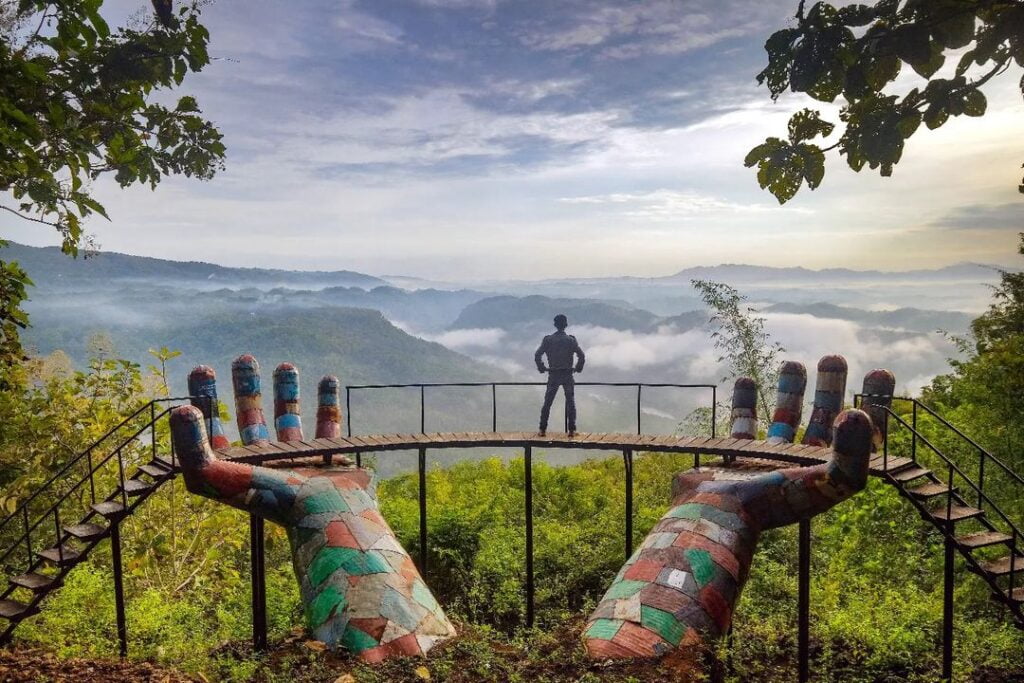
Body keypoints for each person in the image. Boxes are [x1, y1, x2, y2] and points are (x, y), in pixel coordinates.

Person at [535, 314, 585, 436]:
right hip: (567, 374)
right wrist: (578, 369)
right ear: (565, 325)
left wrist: (542, 368)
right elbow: (581, 356)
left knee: (547, 402)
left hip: (553, 374)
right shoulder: (571, 340)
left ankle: (542, 430)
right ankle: (572, 431)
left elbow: (537, 355)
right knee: (570, 402)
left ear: (555, 325)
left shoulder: (548, 340)